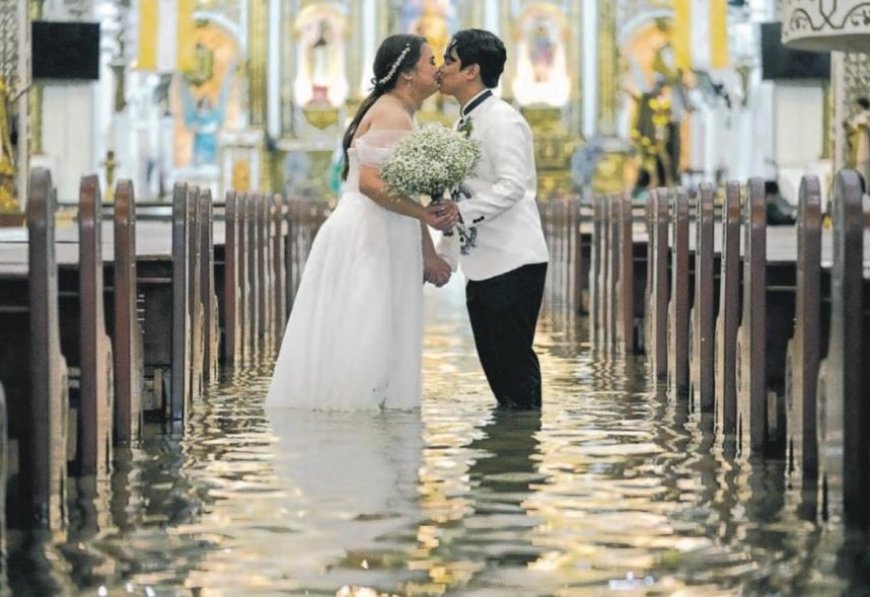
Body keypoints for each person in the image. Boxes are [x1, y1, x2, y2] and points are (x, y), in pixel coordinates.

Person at [266, 34, 457, 410]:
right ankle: (358, 426)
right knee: (366, 326)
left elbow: (402, 190)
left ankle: (373, 413)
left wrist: (428, 250)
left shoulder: (398, 111)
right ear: (406, 74)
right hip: (370, 231)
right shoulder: (391, 112)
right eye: (430, 61)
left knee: (376, 324)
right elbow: (371, 183)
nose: (436, 70)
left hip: (382, 227)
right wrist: (424, 215)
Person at [436, 29, 549, 410]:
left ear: (472, 70)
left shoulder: (502, 120)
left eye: (449, 61)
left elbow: (513, 186)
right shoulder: (463, 123)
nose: (441, 69)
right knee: (498, 378)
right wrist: (446, 256)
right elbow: (457, 193)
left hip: (513, 261)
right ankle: (506, 457)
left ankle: (522, 457)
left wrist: (460, 213)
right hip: (481, 266)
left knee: (515, 372)